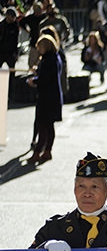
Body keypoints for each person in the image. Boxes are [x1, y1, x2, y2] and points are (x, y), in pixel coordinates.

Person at [27, 35, 62, 164]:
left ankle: (38, 152)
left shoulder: (48, 60)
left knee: (43, 125)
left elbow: (44, 80)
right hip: (53, 96)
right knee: (49, 125)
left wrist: (34, 81)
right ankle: (47, 150)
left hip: (47, 98)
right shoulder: (55, 57)